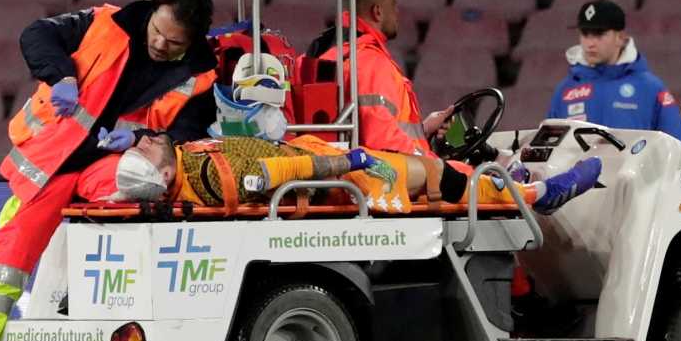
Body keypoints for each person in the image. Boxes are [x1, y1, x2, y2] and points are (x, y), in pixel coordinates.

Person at [0, 0, 219, 341]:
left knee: (140, 192)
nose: (162, 45)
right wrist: (61, 75)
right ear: (152, 11)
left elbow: (186, 135)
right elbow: (37, 34)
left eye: (175, 42)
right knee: (14, 246)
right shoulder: (104, 22)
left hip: (112, 162)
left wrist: (141, 139)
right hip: (55, 159)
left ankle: (80, 296)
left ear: (193, 41)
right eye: (158, 32)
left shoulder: (199, 77)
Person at [114, 133, 602, 219]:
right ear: (160, 170)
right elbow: (284, 171)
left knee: (435, 170)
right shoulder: (210, 175)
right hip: (332, 176)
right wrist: (353, 162)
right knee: (432, 174)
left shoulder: (186, 163)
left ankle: (512, 184)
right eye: (143, 149)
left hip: (315, 155)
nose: (143, 140)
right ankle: (535, 194)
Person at [302, 0, 454, 156]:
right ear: (378, 11)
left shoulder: (315, 56)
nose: (397, 11)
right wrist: (439, 169)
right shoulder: (370, 63)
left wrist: (424, 131)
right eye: (394, 3)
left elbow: (360, 132)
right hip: (377, 179)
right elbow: (384, 143)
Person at [547, 0, 681, 141]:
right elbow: (549, 151)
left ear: (619, 38)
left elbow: (677, 148)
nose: (589, 43)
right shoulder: (564, 91)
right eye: (585, 34)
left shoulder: (651, 88)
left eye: (599, 34)